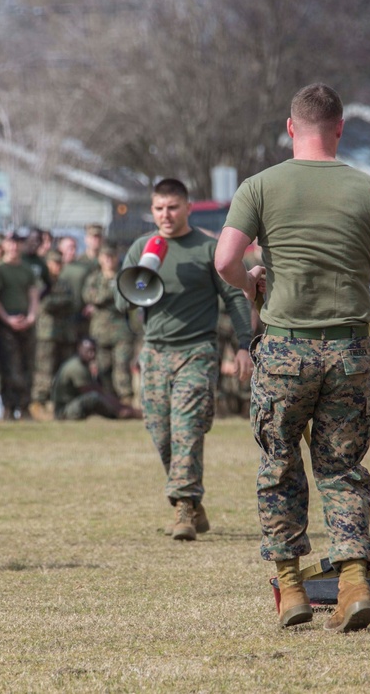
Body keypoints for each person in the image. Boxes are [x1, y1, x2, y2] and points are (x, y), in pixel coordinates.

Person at [215, 83, 370, 633]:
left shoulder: (259, 186)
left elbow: (224, 260)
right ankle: (354, 581)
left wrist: (251, 283)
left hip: (284, 349)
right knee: (342, 468)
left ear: (291, 128)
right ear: (340, 129)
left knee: (279, 462)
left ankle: (291, 590)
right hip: (348, 350)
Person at [115, 178, 255, 544]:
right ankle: (191, 499)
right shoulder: (141, 247)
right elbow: (121, 303)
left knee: (188, 428)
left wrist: (244, 345)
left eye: (173, 207)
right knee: (162, 434)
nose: (165, 215)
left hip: (197, 351)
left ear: (188, 208)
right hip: (155, 352)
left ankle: (183, 508)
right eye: (159, 208)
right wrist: (142, 277)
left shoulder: (207, 248)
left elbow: (235, 298)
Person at [82, 244, 136, 405]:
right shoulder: (93, 278)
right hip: (100, 332)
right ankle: (108, 401)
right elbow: (90, 297)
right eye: (105, 257)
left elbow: (130, 297)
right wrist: (112, 294)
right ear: (100, 259)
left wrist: (104, 298)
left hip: (122, 331)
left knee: (122, 366)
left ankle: (126, 400)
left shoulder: (124, 277)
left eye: (111, 257)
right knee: (103, 368)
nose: (108, 261)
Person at [0, 231, 39, 420]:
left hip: (26, 323)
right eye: (10, 243)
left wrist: (31, 316)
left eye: (17, 243)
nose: (14, 247)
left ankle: (25, 407)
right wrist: (7, 319)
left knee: (27, 367)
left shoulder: (27, 269)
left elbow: (34, 294)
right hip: (7, 325)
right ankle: (8, 407)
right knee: (9, 368)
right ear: (4, 245)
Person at [29, 248, 77, 420]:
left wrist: (59, 302)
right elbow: (45, 304)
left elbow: (72, 302)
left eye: (60, 263)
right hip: (46, 333)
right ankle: (39, 402)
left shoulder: (64, 283)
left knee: (62, 370)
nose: (58, 266)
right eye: (54, 263)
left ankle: (58, 403)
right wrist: (60, 301)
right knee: (44, 370)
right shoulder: (42, 283)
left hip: (64, 333)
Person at [52, 337, 140, 421]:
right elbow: (94, 391)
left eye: (93, 351)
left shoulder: (82, 365)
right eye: (88, 351)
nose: (92, 354)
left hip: (72, 406)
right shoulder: (76, 367)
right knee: (94, 397)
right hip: (64, 411)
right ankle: (119, 415)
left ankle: (124, 412)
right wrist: (119, 408)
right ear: (79, 349)